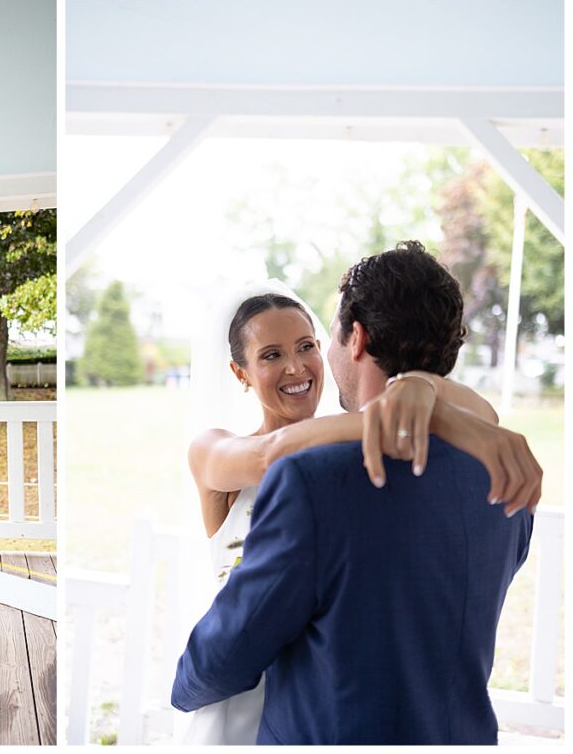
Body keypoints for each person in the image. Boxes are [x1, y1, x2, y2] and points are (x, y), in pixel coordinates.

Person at [173, 242, 537, 743]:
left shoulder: (333, 459)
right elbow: (272, 452)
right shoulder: (218, 450)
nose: (298, 366)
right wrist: (426, 399)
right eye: (272, 355)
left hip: (296, 707)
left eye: (307, 345)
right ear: (240, 372)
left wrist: (417, 390)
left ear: (353, 339)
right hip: (239, 701)